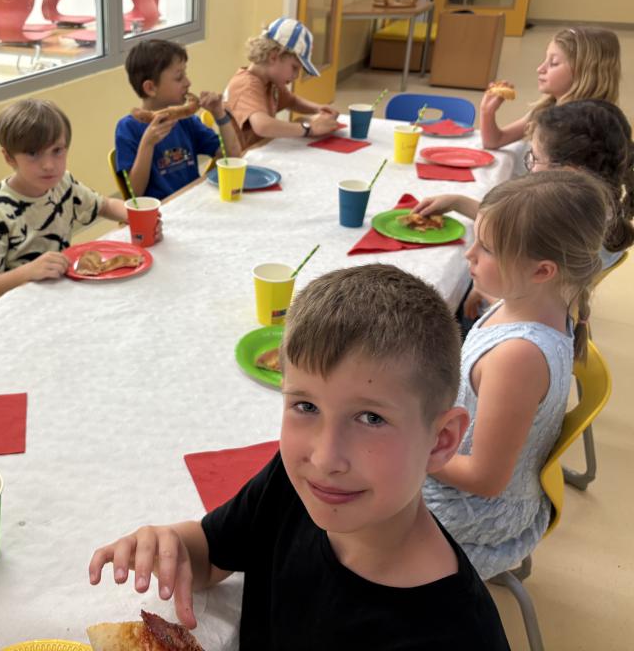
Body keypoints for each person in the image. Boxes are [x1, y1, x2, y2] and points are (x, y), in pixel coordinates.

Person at [89, 264, 510, 650]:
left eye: (371, 418)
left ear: (440, 441)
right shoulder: (292, 487)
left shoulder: (456, 635)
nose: (325, 458)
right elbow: (212, 552)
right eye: (306, 406)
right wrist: (172, 547)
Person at [423, 171, 610, 580]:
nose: (469, 254)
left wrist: (413, 451)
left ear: (542, 271)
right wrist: (487, 292)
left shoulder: (516, 359)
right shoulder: (552, 299)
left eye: (486, 249)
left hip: (472, 511)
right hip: (467, 471)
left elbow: (485, 479)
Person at [414, 100, 633, 320]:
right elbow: (515, 225)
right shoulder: (585, 212)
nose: (529, 167)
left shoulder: (566, 230)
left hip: (497, 316)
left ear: (566, 172)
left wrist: (484, 292)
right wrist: (457, 202)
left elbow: (537, 312)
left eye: (535, 158)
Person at [0, 98, 151, 304]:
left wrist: (142, 219)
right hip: (20, 305)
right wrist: (29, 271)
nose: (49, 165)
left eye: (57, 151)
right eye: (33, 153)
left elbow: (106, 205)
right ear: (9, 157)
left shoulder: (63, 183)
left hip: (59, 292)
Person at [115, 39, 242, 199]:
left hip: (193, 200)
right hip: (161, 209)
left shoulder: (186, 120)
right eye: (179, 77)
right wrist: (147, 144)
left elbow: (232, 157)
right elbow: (135, 193)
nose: (188, 83)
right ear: (150, 88)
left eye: (185, 74)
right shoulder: (128, 128)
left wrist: (220, 114)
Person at [481, 26, 621, 150]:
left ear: (585, 74)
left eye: (553, 63)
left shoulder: (584, 130)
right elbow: (494, 141)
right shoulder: (547, 108)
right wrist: (487, 112)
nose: (540, 68)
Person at [224, 17, 340, 150]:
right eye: (294, 68)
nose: (296, 76)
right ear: (273, 57)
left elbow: (291, 101)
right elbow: (263, 126)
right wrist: (309, 128)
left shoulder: (270, 81)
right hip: (242, 157)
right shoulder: (246, 85)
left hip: (261, 148)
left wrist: (318, 108)